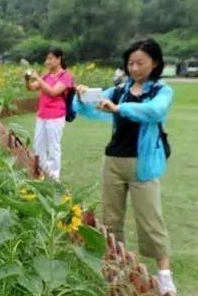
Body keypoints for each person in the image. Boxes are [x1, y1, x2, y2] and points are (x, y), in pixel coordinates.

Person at [73, 38, 176, 296]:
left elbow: (154, 112)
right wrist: (82, 97)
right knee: (111, 219)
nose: (134, 68)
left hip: (143, 165)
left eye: (140, 62)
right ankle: (117, 267)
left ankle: (164, 275)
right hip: (114, 162)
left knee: (151, 219)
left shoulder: (161, 92)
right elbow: (92, 111)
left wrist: (120, 108)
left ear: (154, 63)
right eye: (130, 63)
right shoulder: (119, 89)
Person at [24, 47, 74, 182]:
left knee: (53, 146)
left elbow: (53, 92)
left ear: (59, 59)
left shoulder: (66, 77)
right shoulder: (46, 76)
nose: (47, 61)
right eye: (47, 58)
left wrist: (38, 78)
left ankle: (54, 176)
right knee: (38, 145)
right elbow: (31, 88)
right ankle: (41, 172)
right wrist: (27, 78)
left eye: (51, 58)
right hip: (42, 115)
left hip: (56, 116)